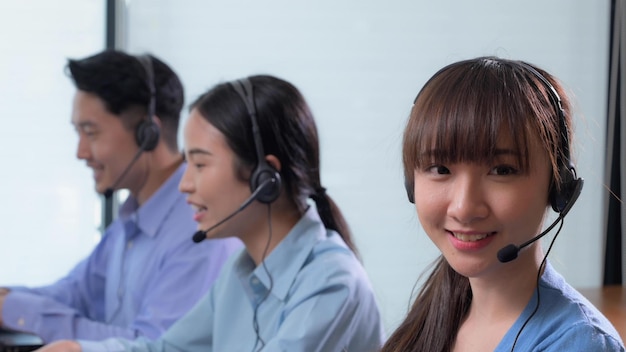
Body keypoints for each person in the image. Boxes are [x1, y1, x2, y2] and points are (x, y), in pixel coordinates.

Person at [37, 74, 385, 352]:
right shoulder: (239, 274)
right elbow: (166, 349)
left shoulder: (332, 284)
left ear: (265, 177)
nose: (184, 184)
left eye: (200, 164)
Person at [380, 56, 625, 352]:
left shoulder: (579, 343)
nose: (463, 208)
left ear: (557, 185)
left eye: (502, 170)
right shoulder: (441, 309)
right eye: (440, 169)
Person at [0, 50, 241, 343]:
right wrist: (8, 301)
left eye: (91, 133)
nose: (80, 152)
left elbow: (149, 345)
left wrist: (15, 309)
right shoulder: (133, 217)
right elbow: (77, 292)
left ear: (147, 133)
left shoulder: (200, 229)